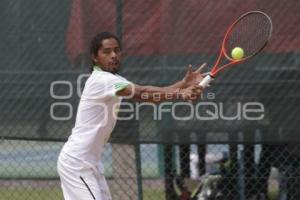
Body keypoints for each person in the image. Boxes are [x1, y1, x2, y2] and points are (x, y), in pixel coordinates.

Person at [57, 31, 207, 200]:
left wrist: (183, 84)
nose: (113, 55)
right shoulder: (102, 80)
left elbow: (150, 98)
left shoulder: (113, 79)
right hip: (78, 163)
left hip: (90, 163)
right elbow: (143, 93)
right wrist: (180, 94)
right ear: (94, 57)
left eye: (116, 50)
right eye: (106, 52)